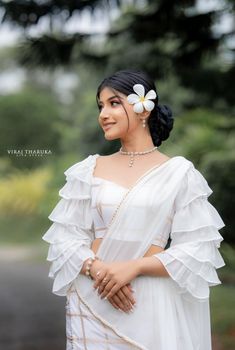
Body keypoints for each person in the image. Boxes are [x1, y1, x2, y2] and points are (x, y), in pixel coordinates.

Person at [42, 69, 225, 350]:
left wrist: (134, 267)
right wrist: (100, 272)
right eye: (101, 106)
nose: (103, 113)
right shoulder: (86, 171)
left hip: (149, 299)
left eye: (114, 103)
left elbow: (199, 248)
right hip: (94, 297)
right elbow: (65, 239)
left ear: (143, 109)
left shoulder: (179, 173)